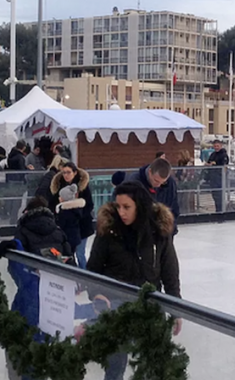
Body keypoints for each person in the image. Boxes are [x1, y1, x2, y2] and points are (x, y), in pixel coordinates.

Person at [87, 181, 182, 380]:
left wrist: (175, 309)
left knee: (153, 365)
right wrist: (96, 293)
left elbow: (169, 272)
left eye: (127, 207)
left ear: (140, 205)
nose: (121, 212)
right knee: (115, 366)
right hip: (116, 309)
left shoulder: (158, 232)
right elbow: (93, 269)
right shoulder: (108, 231)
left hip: (150, 306)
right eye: (118, 206)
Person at [0, 197, 74, 380]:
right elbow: (72, 265)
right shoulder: (59, 232)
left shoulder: (22, 231)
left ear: (26, 212)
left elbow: (17, 269)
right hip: (57, 301)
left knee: (26, 352)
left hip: (30, 301)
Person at [50, 162, 94, 269]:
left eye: (68, 172)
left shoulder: (82, 187)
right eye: (64, 172)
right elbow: (52, 204)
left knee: (80, 253)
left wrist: (78, 213)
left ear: (74, 173)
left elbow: (89, 205)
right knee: (69, 253)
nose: (66, 175)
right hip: (67, 226)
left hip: (82, 226)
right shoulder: (59, 186)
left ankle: (85, 276)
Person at [128, 158, 180, 235]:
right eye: (156, 180)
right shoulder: (134, 182)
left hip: (163, 232)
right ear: (150, 172)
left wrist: (170, 228)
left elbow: (173, 208)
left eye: (163, 182)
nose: (159, 185)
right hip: (140, 233)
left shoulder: (170, 184)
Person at [55, 184, 86, 255]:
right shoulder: (75, 210)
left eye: (60, 196)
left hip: (67, 237)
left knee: (67, 254)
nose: (59, 198)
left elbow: (61, 224)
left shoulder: (65, 211)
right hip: (74, 237)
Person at [206, 140, 229, 213]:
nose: (216, 147)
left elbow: (224, 165)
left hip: (219, 179)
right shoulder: (213, 154)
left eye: (217, 146)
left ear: (221, 146)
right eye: (215, 146)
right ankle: (217, 211)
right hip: (213, 179)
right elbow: (209, 162)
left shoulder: (223, 155)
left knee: (220, 197)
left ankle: (221, 212)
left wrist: (215, 165)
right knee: (215, 196)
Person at [176, 149, 195, 214]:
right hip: (180, 183)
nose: (178, 156)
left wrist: (184, 182)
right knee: (180, 200)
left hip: (187, 184)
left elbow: (189, 175)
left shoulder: (189, 164)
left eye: (179, 155)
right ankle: (181, 213)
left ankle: (187, 214)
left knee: (185, 200)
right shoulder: (180, 163)